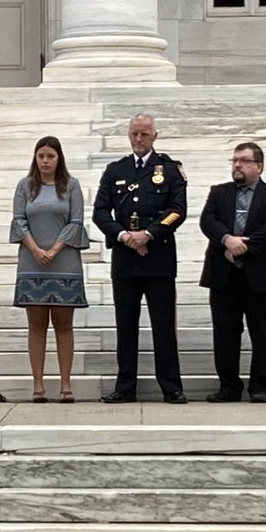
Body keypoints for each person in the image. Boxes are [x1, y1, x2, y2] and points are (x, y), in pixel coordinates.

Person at [93, 113, 188, 404]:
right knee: (126, 325)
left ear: (155, 136)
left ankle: (171, 387)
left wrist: (149, 234)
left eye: (144, 134)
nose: (138, 139)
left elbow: (177, 210)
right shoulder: (115, 170)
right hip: (126, 259)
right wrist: (125, 237)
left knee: (163, 326)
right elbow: (100, 211)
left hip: (158, 258)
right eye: (134, 133)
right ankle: (125, 387)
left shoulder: (170, 170)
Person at [198, 142, 266, 403]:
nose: (237, 165)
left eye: (244, 160)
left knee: (261, 332)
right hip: (223, 273)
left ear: (258, 166)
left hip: (259, 274)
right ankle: (228, 386)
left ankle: (260, 386)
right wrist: (226, 240)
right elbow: (208, 221)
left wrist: (242, 247)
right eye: (234, 160)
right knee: (225, 332)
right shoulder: (219, 192)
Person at [11, 136, 90, 404]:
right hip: (32, 262)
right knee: (36, 324)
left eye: (50, 156)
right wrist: (35, 249)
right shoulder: (25, 186)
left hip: (64, 262)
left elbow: (76, 221)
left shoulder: (71, 186)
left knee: (64, 324)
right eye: (41, 156)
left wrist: (54, 249)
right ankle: (38, 385)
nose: (45, 161)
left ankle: (66, 384)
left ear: (59, 159)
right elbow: (19, 220)